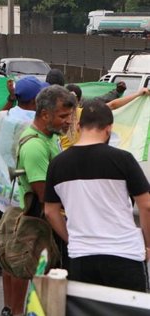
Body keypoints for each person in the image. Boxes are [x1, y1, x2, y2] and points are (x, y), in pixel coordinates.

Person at [45, 99, 150, 292]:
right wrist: (148, 244)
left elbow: (50, 211)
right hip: (124, 255)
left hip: (82, 257)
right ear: (109, 128)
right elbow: (146, 205)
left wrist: (73, 239)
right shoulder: (123, 159)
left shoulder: (58, 164)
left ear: (78, 126)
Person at [1, 85, 75, 316]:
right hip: (44, 228)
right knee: (43, 295)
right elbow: (45, 197)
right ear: (45, 114)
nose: (68, 122)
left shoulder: (48, 137)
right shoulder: (35, 145)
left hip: (46, 228)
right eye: (63, 116)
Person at [0, 76, 49, 278]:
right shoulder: (33, 124)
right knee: (11, 227)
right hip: (18, 182)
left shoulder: (1, 116)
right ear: (35, 100)